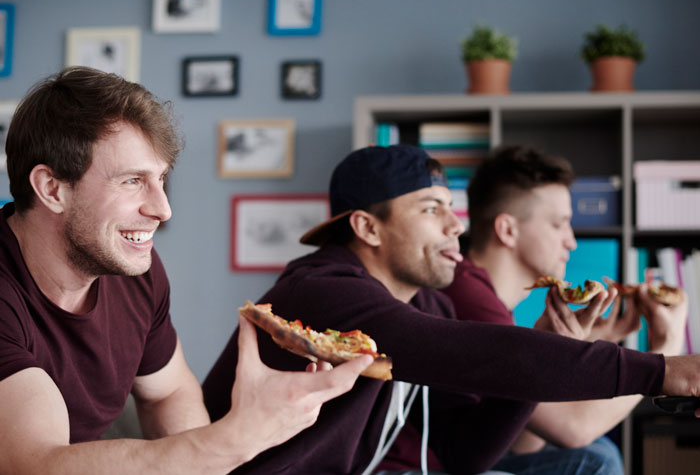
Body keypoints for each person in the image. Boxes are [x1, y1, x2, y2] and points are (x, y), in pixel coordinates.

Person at [203, 143, 700, 475]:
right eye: (429, 209)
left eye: (451, 207)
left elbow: (465, 454)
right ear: (367, 228)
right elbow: (477, 353)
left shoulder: (431, 302)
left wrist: (551, 346)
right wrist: (663, 370)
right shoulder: (324, 289)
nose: (455, 226)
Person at [0, 67, 372, 474]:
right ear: (52, 189)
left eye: (160, 178)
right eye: (132, 181)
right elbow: (34, 465)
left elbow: (168, 392)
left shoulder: (136, 273)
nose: (162, 208)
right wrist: (237, 438)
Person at [404, 145, 688, 475]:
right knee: (597, 458)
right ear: (507, 229)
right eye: (559, 224)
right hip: (428, 466)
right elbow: (573, 429)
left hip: (463, 458)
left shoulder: (487, 298)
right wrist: (666, 350)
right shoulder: (468, 299)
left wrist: (577, 349)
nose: (572, 241)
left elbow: (525, 440)